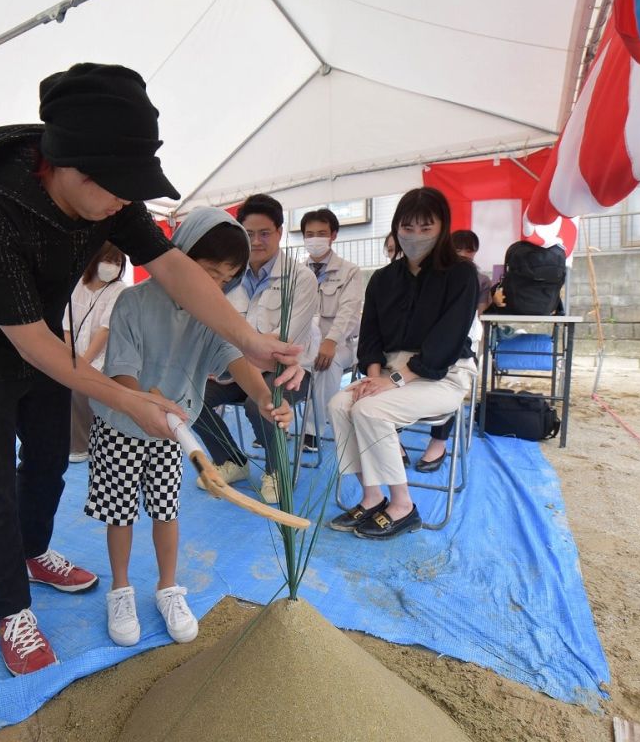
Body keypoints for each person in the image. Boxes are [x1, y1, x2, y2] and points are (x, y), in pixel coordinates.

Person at [0, 63, 302, 677]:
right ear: (66, 166)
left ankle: (34, 549)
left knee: (46, 454)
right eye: (119, 188)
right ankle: (8, 607)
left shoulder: (108, 195)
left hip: (42, 328)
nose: (127, 202)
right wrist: (129, 401)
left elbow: (174, 267)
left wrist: (250, 338)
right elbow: (33, 346)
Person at [86, 208, 296, 647]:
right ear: (176, 257)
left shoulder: (212, 312)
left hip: (171, 430)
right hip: (121, 425)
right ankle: (120, 589)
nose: (214, 288)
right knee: (119, 513)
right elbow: (122, 372)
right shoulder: (134, 302)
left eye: (225, 279)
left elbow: (233, 357)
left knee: (167, 510)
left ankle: (168, 587)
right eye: (206, 274)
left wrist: (261, 396)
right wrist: (145, 401)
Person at [326, 187, 479, 540]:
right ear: (396, 228)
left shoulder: (461, 275)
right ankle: (372, 496)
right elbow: (371, 338)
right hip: (390, 372)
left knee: (370, 411)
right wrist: (374, 376)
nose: (415, 237)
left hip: (443, 375)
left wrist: (392, 381)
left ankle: (403, 506)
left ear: (443, 228)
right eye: (407, 228)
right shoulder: (382, 279)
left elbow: (447, 342)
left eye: (426, 229)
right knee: (339, 404)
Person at [191, 194, 318, 504]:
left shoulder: (300, 278)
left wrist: (230, 361)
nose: (257, 242)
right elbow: (213, 327)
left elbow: (284, 341)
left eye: (265, 233)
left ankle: (277, 470)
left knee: (257, 403)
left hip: (286, 373)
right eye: (249, 234)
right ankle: (232, 459)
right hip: (230, 370)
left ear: (280, 232)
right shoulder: (230, 273)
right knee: (190, 396)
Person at [415, 229, 490, 472]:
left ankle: (439, 441)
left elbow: (476, 315)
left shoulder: (480, 280)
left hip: (462, 343)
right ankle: (393, 439)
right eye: (458, 248)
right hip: (427, 341)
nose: (463, 253)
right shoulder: (432, 276)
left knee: (449, 379)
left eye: (468, 249)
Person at [299, 208, 362, 452]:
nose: (315, 239)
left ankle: (313, 430)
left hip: (342, 345)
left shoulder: (349, 271)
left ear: (333, 235)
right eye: (309, 234)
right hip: (304, 343)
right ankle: (268, 424)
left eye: (321, 233)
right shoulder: (296, 273)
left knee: (327, 361)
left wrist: (331, 341)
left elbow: (348, 311)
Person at [64, 242, 127, 463]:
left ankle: (81, 445)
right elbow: (67, 326)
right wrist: (68, 357)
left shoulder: (119, 290)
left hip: (103, 359)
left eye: (118, 263)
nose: (113, 267)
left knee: (78, 387)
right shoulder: (77, 285)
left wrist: (81, 363)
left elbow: (105, 330)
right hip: (74, 355)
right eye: (108, 260)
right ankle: (73, 441)